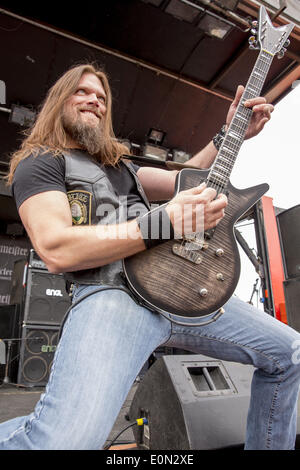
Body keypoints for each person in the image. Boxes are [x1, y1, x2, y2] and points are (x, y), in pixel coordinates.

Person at [1, 63, 299, 450]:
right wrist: (164, 223)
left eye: (102, 97)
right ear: (59, 101)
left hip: (184, 293)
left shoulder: (122, 167)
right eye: (83, 92)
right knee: (63, 442)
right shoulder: (42, 162)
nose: (95, 100)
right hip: (114, 296)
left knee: (289, 354)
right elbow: (57, 248)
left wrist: (232, 134)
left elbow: (189, 177)